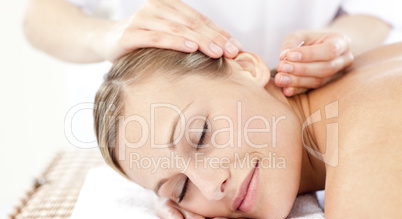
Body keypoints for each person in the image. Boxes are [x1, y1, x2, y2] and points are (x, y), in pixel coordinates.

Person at [93, 42, 402, 219]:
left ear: (246, 69)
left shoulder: (361, 207)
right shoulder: (373, 61)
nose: (211, 186)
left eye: (200, 136)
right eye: (182, 188)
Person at [23, 0, 400, 95]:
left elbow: (373, 10)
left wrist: (334, 44)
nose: (213, 185)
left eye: (202, 137)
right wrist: (106, 36)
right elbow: (40, 16)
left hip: (327, 91)